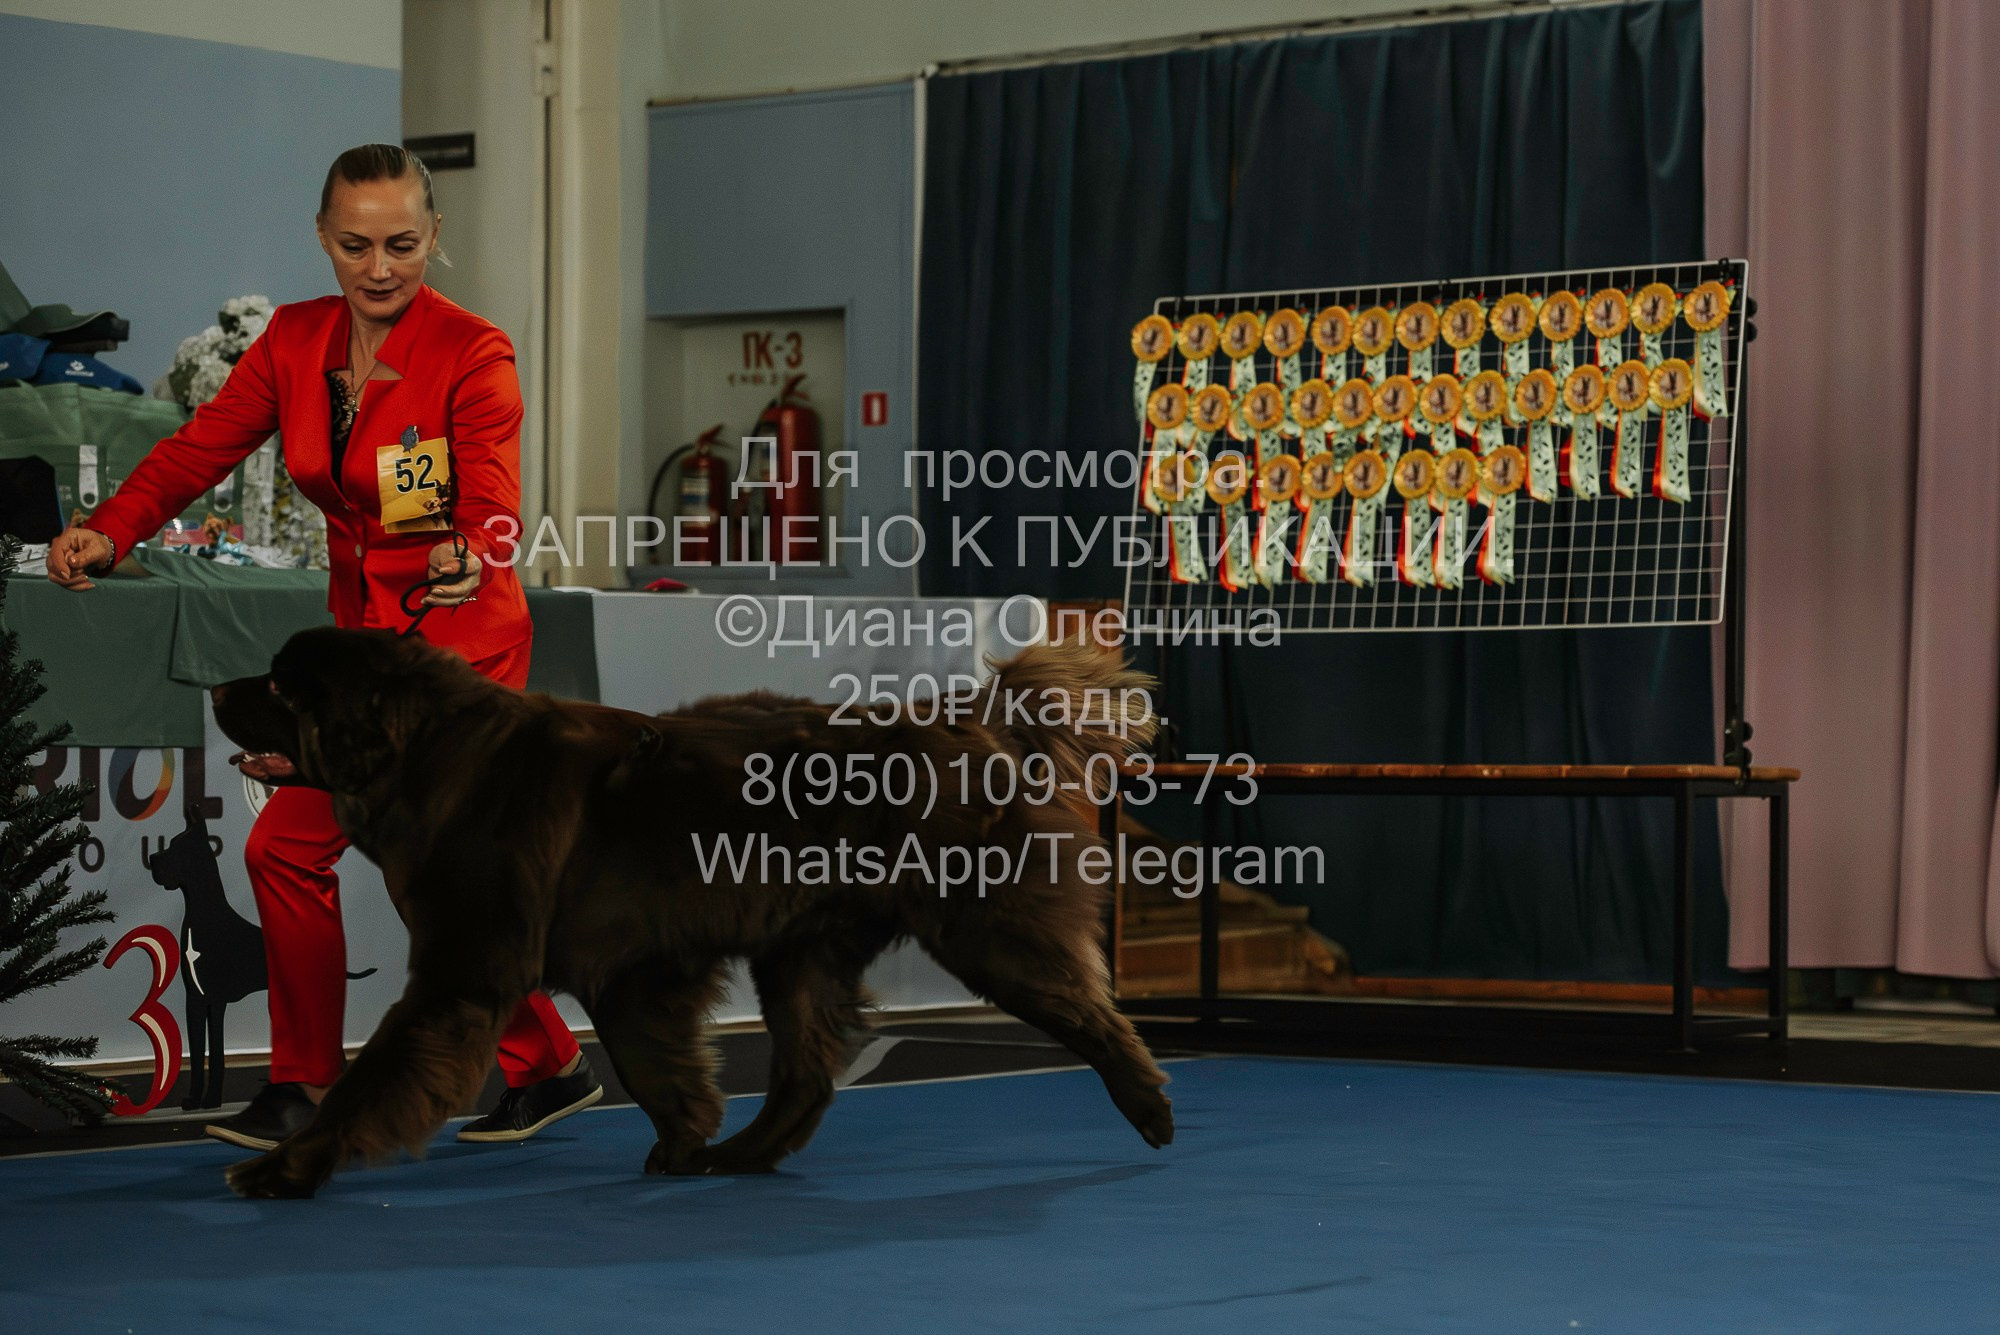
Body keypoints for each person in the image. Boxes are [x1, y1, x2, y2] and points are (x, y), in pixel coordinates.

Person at [46, 143, 601, 1151]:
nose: (379, 267)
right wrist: (112, 528)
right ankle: (522, 1063)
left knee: (372, 861)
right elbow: (195, 450)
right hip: (359, 655)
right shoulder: (294, 343)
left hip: (457, 658)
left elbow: (491, 502)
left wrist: (472, 551)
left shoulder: (474, 353)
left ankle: (351, 1083)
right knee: (385, 866)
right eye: (355, 245)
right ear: (322, 239)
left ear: (435, 237)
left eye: (401, 244)